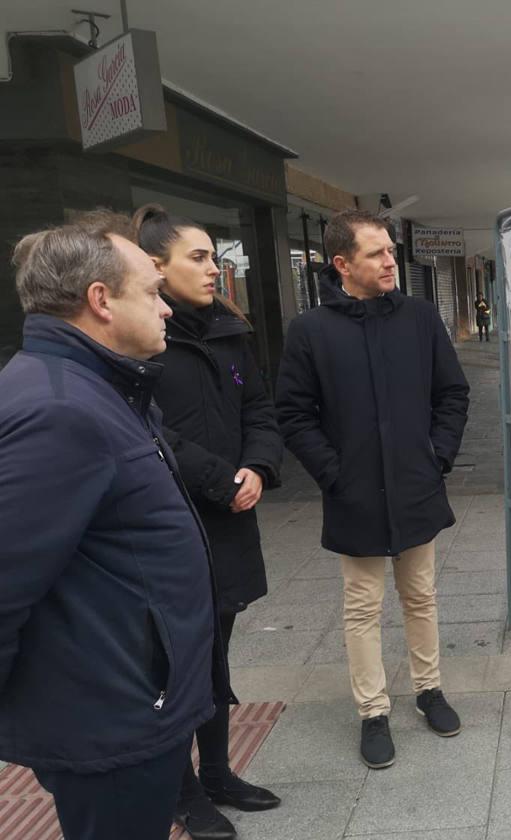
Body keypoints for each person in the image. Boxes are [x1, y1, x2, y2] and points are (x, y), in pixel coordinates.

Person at [0, 211, 233, 839]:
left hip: (129, 701)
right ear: (100, 301)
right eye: (153, 293)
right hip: (110, 715)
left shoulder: (98, 389)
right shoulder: (59, 410)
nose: (165, 311)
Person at [275, 210, 470, 769]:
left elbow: (452, 394)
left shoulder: (419, 317)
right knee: (362, 605)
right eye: (376, 253)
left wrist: (437, 457)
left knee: (421, 594)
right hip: (355, 493)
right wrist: (334, 474)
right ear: (342, 264)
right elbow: (293, 414)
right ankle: (373, 712)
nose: (390, 261)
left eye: (390, 250)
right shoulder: (310, 331)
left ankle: (429, 690)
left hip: (416, 484)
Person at [132, 204, 284, 840]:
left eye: (214, 256)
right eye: (197, 257)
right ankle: (184, 791)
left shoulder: (229, 329)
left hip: (227, 520)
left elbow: (261, 409)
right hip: (174, 523)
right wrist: (223, 481)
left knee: (216, 654)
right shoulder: (143, 341)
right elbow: (150, 431)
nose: (213, 268)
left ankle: (217, 771)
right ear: (155, 267)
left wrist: (256, 467)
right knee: (174, 667)